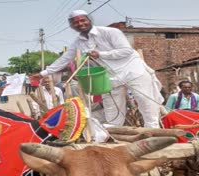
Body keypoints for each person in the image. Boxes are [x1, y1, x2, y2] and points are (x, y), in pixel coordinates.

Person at [31, 9, 163, 128]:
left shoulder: (110, 32)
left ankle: (153, 132)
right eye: (76, 22)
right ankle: (114, 137)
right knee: (113, 111)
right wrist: (43, 73)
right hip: (110, 77)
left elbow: (126, 51)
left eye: (83, 20)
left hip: (133, 71)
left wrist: (101, 54)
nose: (80, 24)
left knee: (146, 104)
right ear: (72, 26)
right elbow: (64, 59)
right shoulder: (78, 42)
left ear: (89, 20)